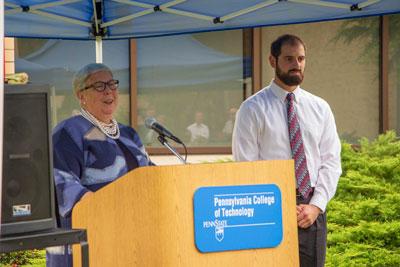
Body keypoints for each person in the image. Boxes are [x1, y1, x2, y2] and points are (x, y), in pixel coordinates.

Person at [232, 34, 341, 267]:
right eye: (289, 58)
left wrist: (316, 205)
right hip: (269, 210)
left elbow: (331, 162)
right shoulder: (252, 109)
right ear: (273, 61)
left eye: (301, 58)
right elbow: (245, 167)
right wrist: (276, 207)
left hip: (311, 212)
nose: (297, 64)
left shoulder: (320, 108)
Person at [47, 63, 153, 267]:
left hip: (130, 242)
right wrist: (109, 210)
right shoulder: (68, 133)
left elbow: (149, 175)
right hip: (86, 247)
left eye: (112, 84)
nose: (109, 91)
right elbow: (63, 184)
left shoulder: (129, 134)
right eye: (99, 86)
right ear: (81, 96)